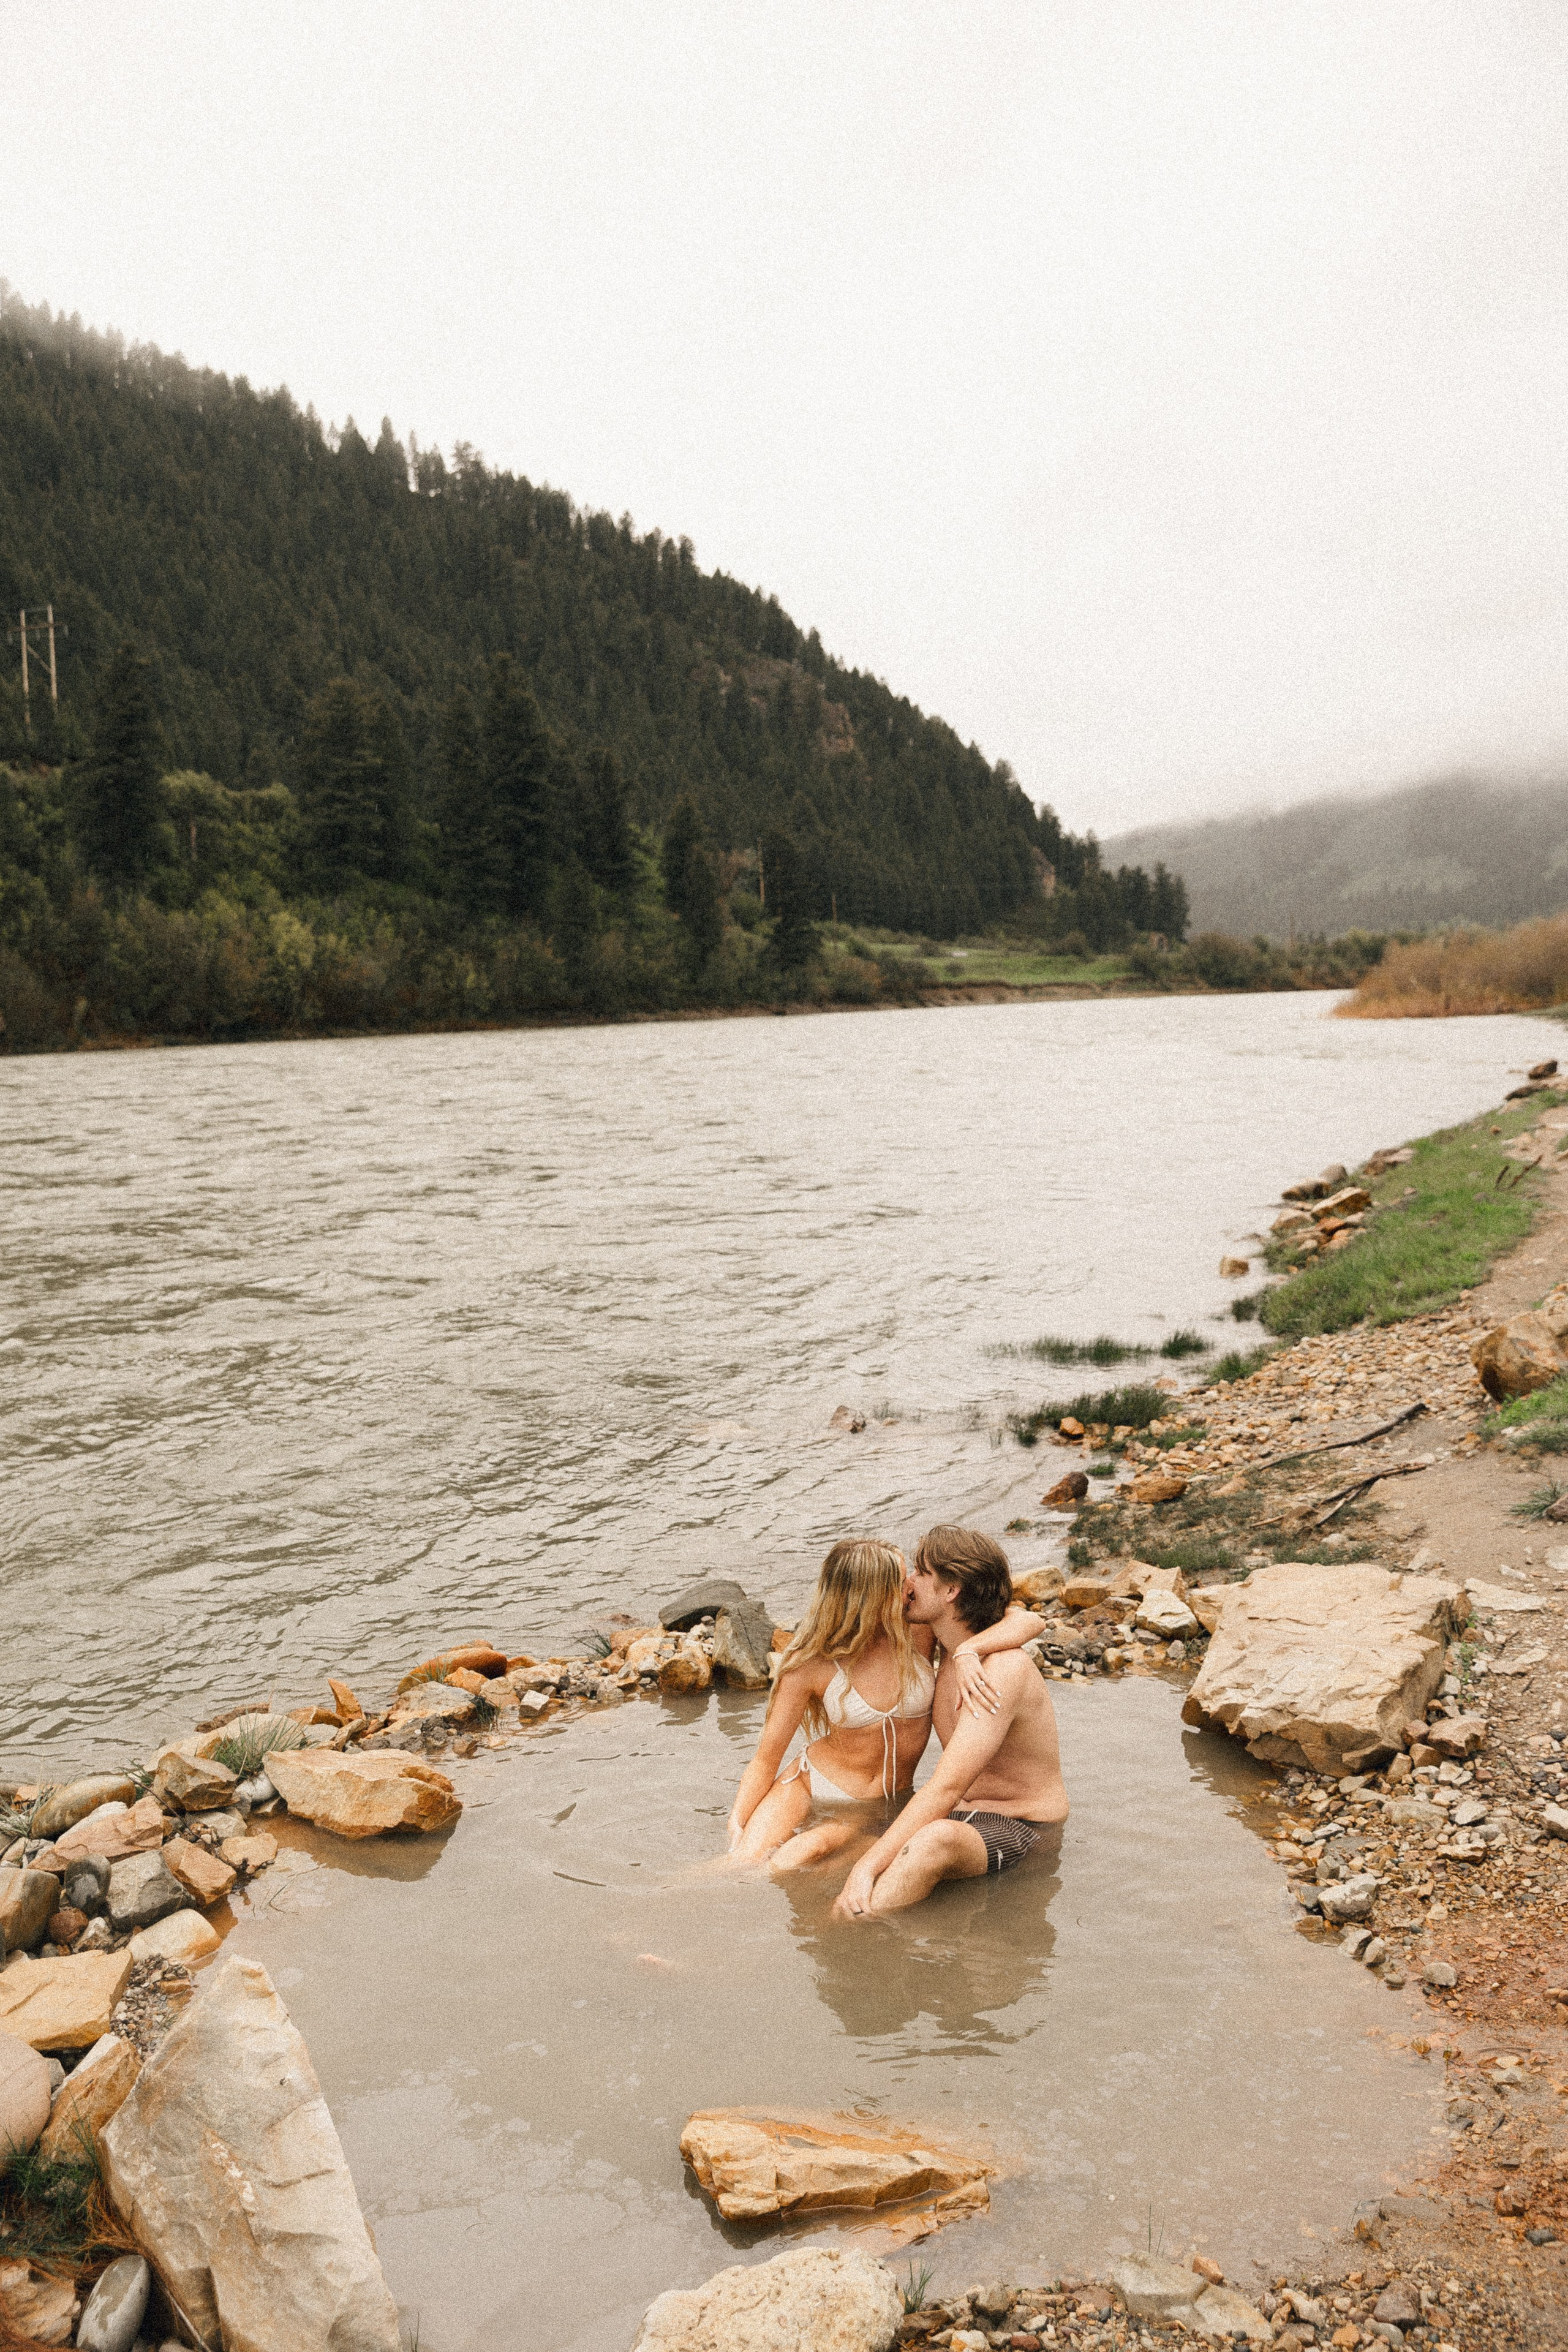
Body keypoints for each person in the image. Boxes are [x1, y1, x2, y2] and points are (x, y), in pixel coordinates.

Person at [726, 1535, 1047, 1871]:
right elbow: (766, 1759)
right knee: (740, 1864)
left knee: (802, 1855)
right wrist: (737, 1819)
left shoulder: (919, 1633)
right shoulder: (811, 1661)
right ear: (873, 1592)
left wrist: (971, 1650)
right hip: (810, 1783)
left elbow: (1029, 1621)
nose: (912, 1585)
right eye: (903, 1577)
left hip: (886, 1803)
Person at [832, 1525, 1068, 1919]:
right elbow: (1025, 1618)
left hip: (1024, 1824)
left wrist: (866, 1869)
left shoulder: (1002, 1670)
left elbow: (947, 1786)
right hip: (963, 1813)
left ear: (951, 1590)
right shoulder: (944, 1642)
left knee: (931, 1842)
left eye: (920, 1574)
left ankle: (857, 1944)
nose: (906, 1584)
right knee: (831, 1839)